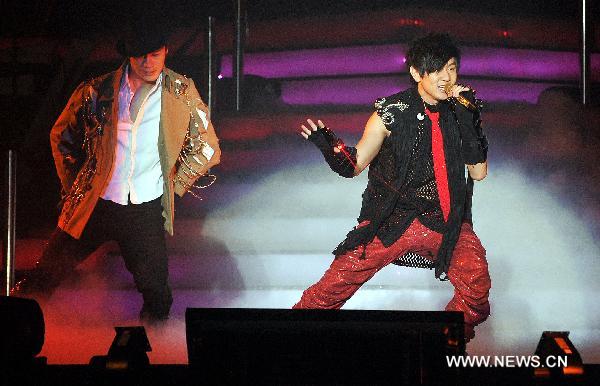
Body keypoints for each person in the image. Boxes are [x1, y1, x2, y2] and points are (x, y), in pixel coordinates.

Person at [11, 26, 221, 323]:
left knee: (157, 295)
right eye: (140, 56)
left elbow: (207, 146)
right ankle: (13, 339)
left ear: (165, 52)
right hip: (95, 203)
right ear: (128, 57)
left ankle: (150, 353)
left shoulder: (181, 92)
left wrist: (174, 186)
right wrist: (75, 186)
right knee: (43, 278)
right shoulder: (97, 91)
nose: (148, 63)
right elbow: (61, 136)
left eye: (155, 55)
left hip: (144, 208)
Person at [293, 33, 490, 341]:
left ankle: (442, 342)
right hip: (392, 220)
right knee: (332, 288)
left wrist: (468, 120)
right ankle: (285, 336)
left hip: (446, 221)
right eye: (437, 69)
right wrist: (329, 144)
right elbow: (354, 166)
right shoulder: (390, 112)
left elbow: (478, 173)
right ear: (416, 73)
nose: (446, 78)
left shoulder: (461, 111)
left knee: (477, 290)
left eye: (451, 68)